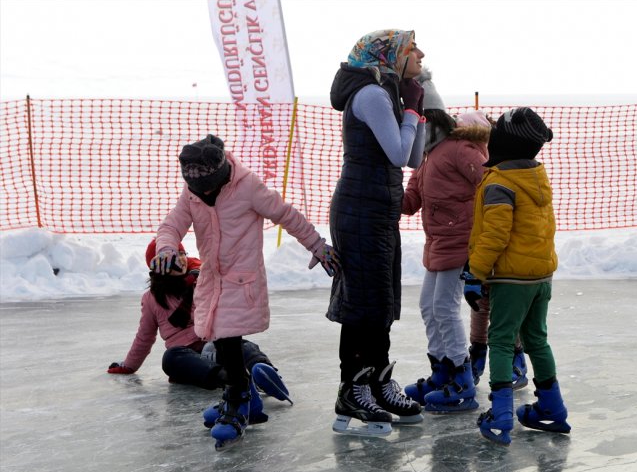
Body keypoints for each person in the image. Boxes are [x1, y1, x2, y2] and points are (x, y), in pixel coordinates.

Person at [149, 134, 338, 450]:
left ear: (221, 174)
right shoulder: (192, 193)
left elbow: (286, 215)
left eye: (208, 185)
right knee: (217, 337)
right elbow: (172, 225)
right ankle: (246, 400)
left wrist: (317, 245)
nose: (204, 192)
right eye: (198, 188)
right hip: (213, 277)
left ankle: (238, 398)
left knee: (226, 335)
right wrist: (167, 247)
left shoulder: (248, 186)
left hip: (243, 279)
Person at [327, 29, 426, 437]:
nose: (420, 54)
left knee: (381, 300)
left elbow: (416, 156)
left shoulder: (389, 92)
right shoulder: (370, 94)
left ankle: (379, 382)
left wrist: (417, 111)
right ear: (389, 57)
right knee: (363, 304)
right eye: (411, 49)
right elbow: (398, 154)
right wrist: (411, 113)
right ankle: (353, 387)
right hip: (360, 208)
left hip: (379, 210)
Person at [466, 107, 571, 445]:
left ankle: (499, 416)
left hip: (510, 279)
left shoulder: (499, 183)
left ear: (502, 145)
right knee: (537, 340)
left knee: (500, 340)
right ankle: (552, 410)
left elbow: (495, 235)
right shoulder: (536, 176)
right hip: (541, 276)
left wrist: (474, 272)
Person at [107, 239, 292, 426]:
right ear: (159, 266)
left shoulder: (201, 280)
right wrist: (128, 366)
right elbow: (144, 336)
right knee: (171, 357)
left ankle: (263, 371)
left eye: (182, 254)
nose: (181, 260)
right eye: (173, 257)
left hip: (214, 343)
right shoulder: (151, 298)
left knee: (240, 345)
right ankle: (230, 380)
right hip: (187, 357)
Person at [399, 67, 491, 413]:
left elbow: (489, 183)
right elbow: (410, 203)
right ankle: (442, 372)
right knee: (428, 306)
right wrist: (384, 188)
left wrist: (482, 235)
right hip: (437, 245)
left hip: (461, 243)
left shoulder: (458, 148)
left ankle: (462, 380)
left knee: (444, 308)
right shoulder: (426, 155)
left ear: (431, 118)